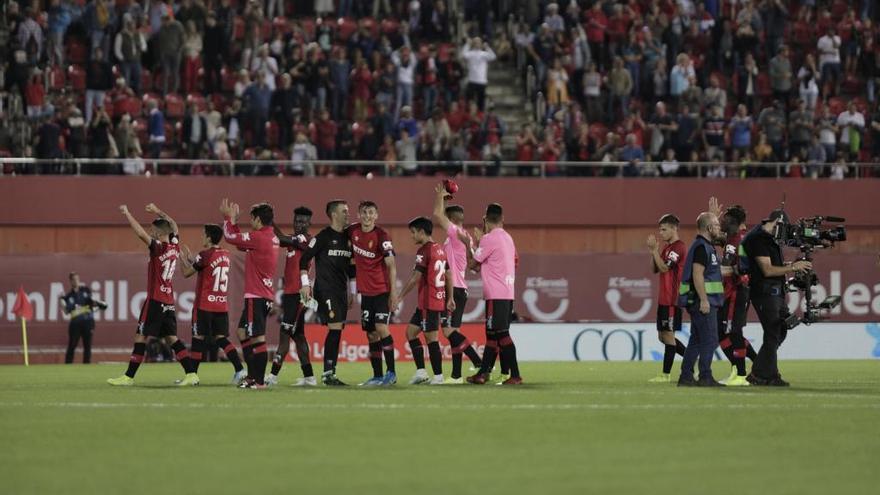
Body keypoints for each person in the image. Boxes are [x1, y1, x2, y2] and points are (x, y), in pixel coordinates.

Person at [108, 204, 197, 386]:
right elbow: (174, 224)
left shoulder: (159, 248)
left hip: (155, 300)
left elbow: (141, 234)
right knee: (172, 338)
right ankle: (191, 374)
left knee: (140, 336)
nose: (151, 232)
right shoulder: (174, 245)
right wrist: (158, 211)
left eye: (153, 230)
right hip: (169, 302)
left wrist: (128, 214)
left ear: (157, 233)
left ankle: (128, 377)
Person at [741, 209, 812, 386]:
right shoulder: (758, 239)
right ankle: (769, 376)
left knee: (780, 330)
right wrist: (793, 267)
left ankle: (759, 372)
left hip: (774, 292)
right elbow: (767, 270)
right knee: (773, 332)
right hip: (765, 293)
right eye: (782, 228)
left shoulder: (769, 238)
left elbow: (773, 265)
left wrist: (789, 265)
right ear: (775, 222)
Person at [220, 199, 281, 389]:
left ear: (257, 220)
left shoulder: (259, 237)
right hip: (262, 295)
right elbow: (240, 244)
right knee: (242, 332)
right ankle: (252, 377)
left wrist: (228, 219)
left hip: (257, 295)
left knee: (257, 338)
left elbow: (230, 237)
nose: (251, 222)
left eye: (251, 219)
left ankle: (259, 381)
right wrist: (235, 223)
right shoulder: (270, 236)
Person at [178, 224, 246, 384]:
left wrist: (182, 261)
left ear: (209, 237)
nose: (202, 237)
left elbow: (187, 273)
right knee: (222, 339)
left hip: (204, 305)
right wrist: (191, 260)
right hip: (221, 305)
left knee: (197, 339)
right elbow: (206, 268)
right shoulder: (226, 254)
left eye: (203, 234)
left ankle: (192, 376)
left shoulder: (205, 254)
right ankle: (240, 370)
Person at [462, 203, 522, 385]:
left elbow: (472, 264)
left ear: (485, 220)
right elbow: (515, 262)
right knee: (493, 335)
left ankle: (515, 375)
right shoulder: (508, 238)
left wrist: (468, 244)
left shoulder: (489, 239)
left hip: (496, 294)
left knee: (501, 335)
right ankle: (483, 374)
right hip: (507, 292)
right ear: (502, 219)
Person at [299, 200, 355, 386]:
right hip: (325, 290)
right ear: (333, 215)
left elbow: (352, 267)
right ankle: (328, 373)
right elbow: (304, 260)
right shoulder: (323, 237)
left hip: (341, 291)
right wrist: (306, 285)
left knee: (337, 330)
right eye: (344, 211)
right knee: (335, 328)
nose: (348, 214)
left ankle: (329, 372)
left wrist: (353, 290)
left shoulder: (349, 237)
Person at [432, 183, 482, 383]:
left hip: (454, 288)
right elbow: (474, 266)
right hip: (462, 288)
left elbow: (437, 214)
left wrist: (439, 196)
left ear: (452, 221)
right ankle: (456, 375)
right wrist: (446, 200)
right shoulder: (465, 237)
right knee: (455, 332)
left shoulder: (454, 234)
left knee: (448, 331)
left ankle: (479, 361)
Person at [394, 217, 454, 385]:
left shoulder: (424, 250)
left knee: (431, 339)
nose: (412, 236)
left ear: (422, 231)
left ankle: (438, 377)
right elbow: (448, 274)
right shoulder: (440, 249)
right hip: (429, 302)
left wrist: (399, 297)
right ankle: (421, 372)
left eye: (413, 232)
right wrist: (450, 297)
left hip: (430, 302)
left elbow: (415, 278)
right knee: (411, 333)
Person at [346, 201, 399, 386]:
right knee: (371, 334)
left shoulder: (382, 235)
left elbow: (391, 265)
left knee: (381, 327)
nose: (367, 216)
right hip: (365, 293)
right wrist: (353, 290)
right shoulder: (352, 231)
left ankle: (391, 373)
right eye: (364, 212)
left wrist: (394, 293)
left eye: (371, 213)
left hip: (382, 290)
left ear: (376, 216)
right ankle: (377, 376)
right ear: (358, 214)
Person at [266, 207, 317, 386]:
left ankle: (272, 376)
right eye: (296, 221)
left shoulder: (306, 240)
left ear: (309, 223)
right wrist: (270, 220)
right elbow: (280, 238)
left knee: (285, 334)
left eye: (303, 222)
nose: (299, 224)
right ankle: (309, 377)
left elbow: (280, 238)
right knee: (299, 336)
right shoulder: (293, 240)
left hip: (297, 295)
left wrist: (268, 219)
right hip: (291, 295)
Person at [676, 212, 726, 387]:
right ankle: (705, 376)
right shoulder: (701, 247)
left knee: (697, 339)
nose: (719, 229)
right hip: (703, 302)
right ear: (709, 228)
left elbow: (710, 274)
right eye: (717, 225)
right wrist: (704, 300)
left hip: (701, 300)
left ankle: (686, 376)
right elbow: (698, 275)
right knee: (710, 339)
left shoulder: (705, 246)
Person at [710, 201, 757, 386]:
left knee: (733, 332)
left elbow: (730, 269)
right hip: (732, 292)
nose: (721, 223)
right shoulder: (736, 237)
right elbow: (713, 237)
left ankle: (741, 374)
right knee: (723, 333)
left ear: (734, 222)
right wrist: (711, 217)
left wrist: (709, 272)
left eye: (724, 220)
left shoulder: (736, 240)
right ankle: (748, 367)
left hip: (736, 292)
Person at [646, 214, 687, 383]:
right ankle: (692, 357)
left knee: (668, 336)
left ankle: (665, 374)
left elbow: (664, 268)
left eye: (664, 229)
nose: (660, 233)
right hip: (663, 299)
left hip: (672, 299)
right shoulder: (666, 248)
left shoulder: (678, 247)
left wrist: (656, 251)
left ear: (673, 228)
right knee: (662, 337)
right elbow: (654, 269)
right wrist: (653, 251)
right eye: (659, 229)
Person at [60, 272, 107, 364]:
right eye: (74, 279)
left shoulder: (85, 290)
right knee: (72, 345)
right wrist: (62, 302)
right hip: (75, 323)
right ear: (70, 281)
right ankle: (67, 365)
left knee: (87, 346)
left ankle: (86, 365)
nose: (76, 281)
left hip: (88, 322)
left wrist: (99, 304)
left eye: (77, 279)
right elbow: (66, 311)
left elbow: (91, 301)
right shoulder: (68, 296)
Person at [460, 37, 496, 111]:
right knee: (470, 101)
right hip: (472, 80)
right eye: (475, 42)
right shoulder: (470, 53)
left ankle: (480, 116)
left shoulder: (484, 54)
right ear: (473, 44)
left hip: (481, 81)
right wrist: (467, 44)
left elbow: (493, 57)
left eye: (478, 42)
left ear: (481, 44)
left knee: (481, 102)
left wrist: (487, 47)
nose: (477, 44)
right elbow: (463, 55)